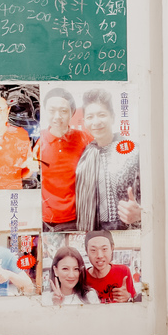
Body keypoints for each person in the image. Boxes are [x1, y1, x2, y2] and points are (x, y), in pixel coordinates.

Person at [74, 88, 141, 231]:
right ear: (85, 121)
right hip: (96, 231)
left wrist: (141, 213)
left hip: (129, 230)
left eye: (102, 115)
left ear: (113, 117)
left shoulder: (133, 150)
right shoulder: (85, 155)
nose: (96, 122)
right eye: (90, 117)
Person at [37, 88, 94, 231]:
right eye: (52, 110)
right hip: (47, 220)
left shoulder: (84, 138)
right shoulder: (39, 141)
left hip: (78, 218)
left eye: (63, 111)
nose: (57, 116)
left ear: (72, 113)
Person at [84, 230, 136, 303]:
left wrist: (128, 297)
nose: (99, 255)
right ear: (86, 251)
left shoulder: (123, 271)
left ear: (112, 248)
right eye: (93, 250)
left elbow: (136, 303)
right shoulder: (82, 278)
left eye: (104, 249)